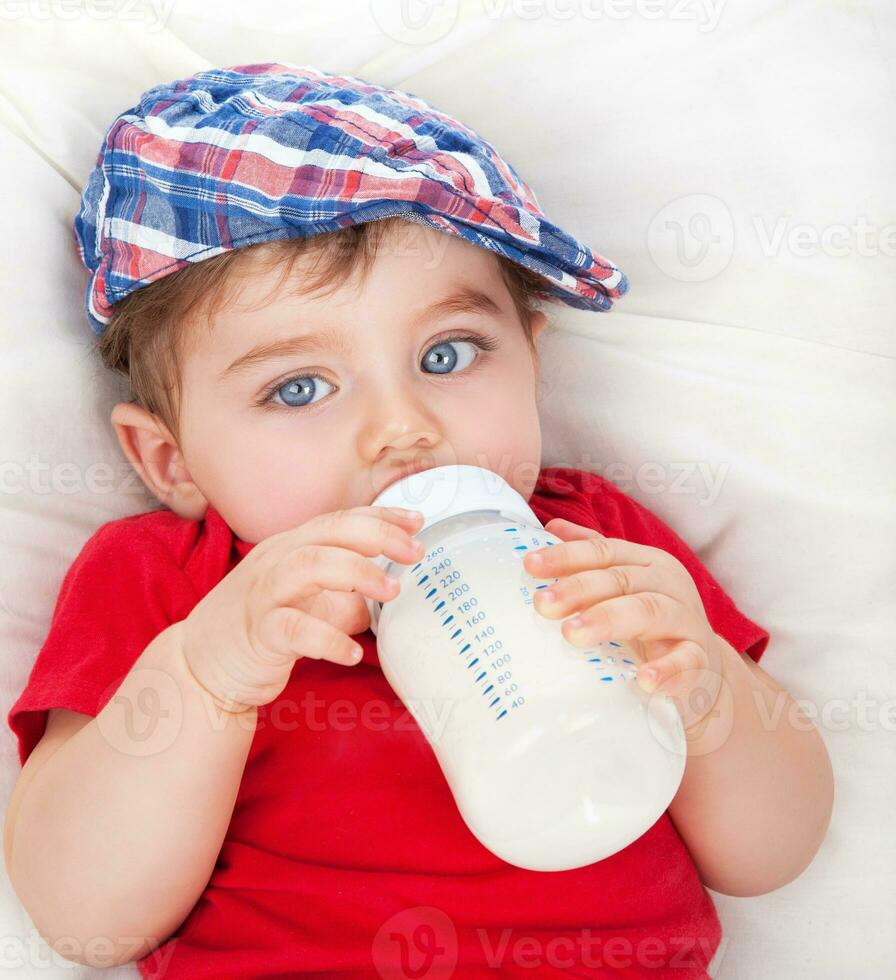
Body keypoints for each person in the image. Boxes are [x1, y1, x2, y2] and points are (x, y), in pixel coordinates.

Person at [4, 63, 833, 979]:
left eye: (449, 353)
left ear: (531, 362)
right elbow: (81, 917)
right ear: (172, 462)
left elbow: (770, 857)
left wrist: (702, 681)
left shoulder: (595, 545)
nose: (402, 428)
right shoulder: (174, 584)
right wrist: (208, 678)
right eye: (299, 388)